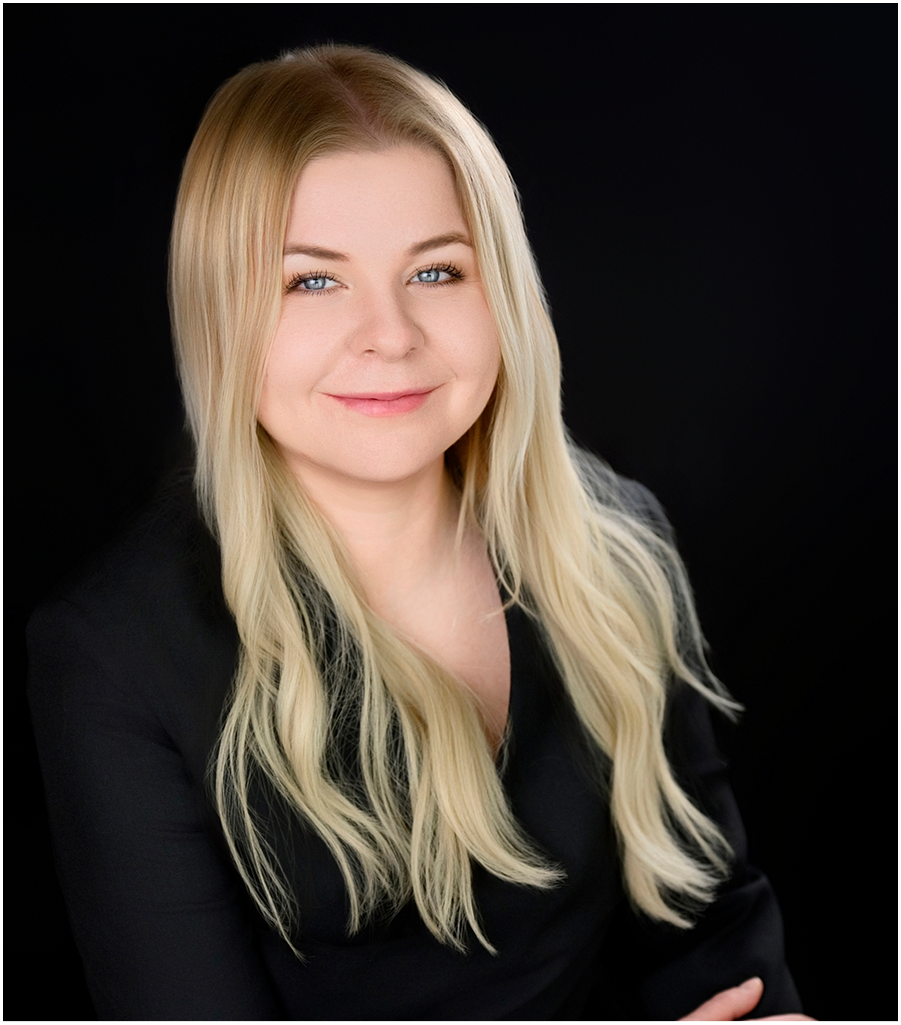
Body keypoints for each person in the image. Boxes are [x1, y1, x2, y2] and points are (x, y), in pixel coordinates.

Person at [27, 44, 812, 1021]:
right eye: (312, 281)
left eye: (436, 269)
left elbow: (710, 937)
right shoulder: (111, 662)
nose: (389, 332)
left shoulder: (616, 541)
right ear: (217, 309)